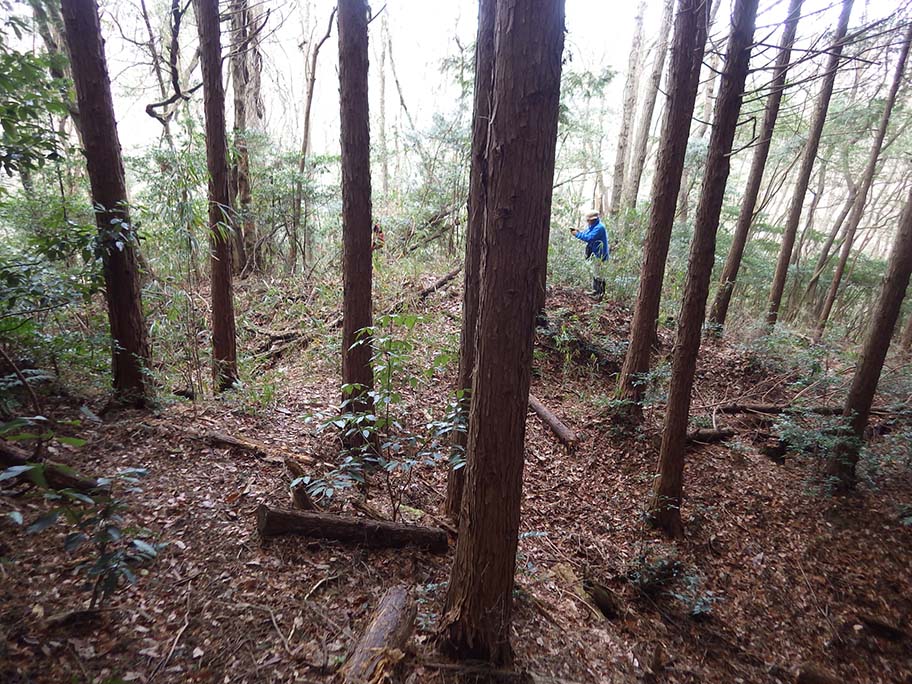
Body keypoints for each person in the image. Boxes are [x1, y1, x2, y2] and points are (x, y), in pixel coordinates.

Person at [570, 209, 609, 298]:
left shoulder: (599, 227)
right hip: (595, 254)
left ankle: (600, 294)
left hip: (600, 255)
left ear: (593, 219)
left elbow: (589, 238)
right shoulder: (593, 226)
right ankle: (595, 291)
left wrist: (577, 235)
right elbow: (586, 233)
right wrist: (579, 232)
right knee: (595, 273)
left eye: (589, 220)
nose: (587, 221)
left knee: (600, 274)